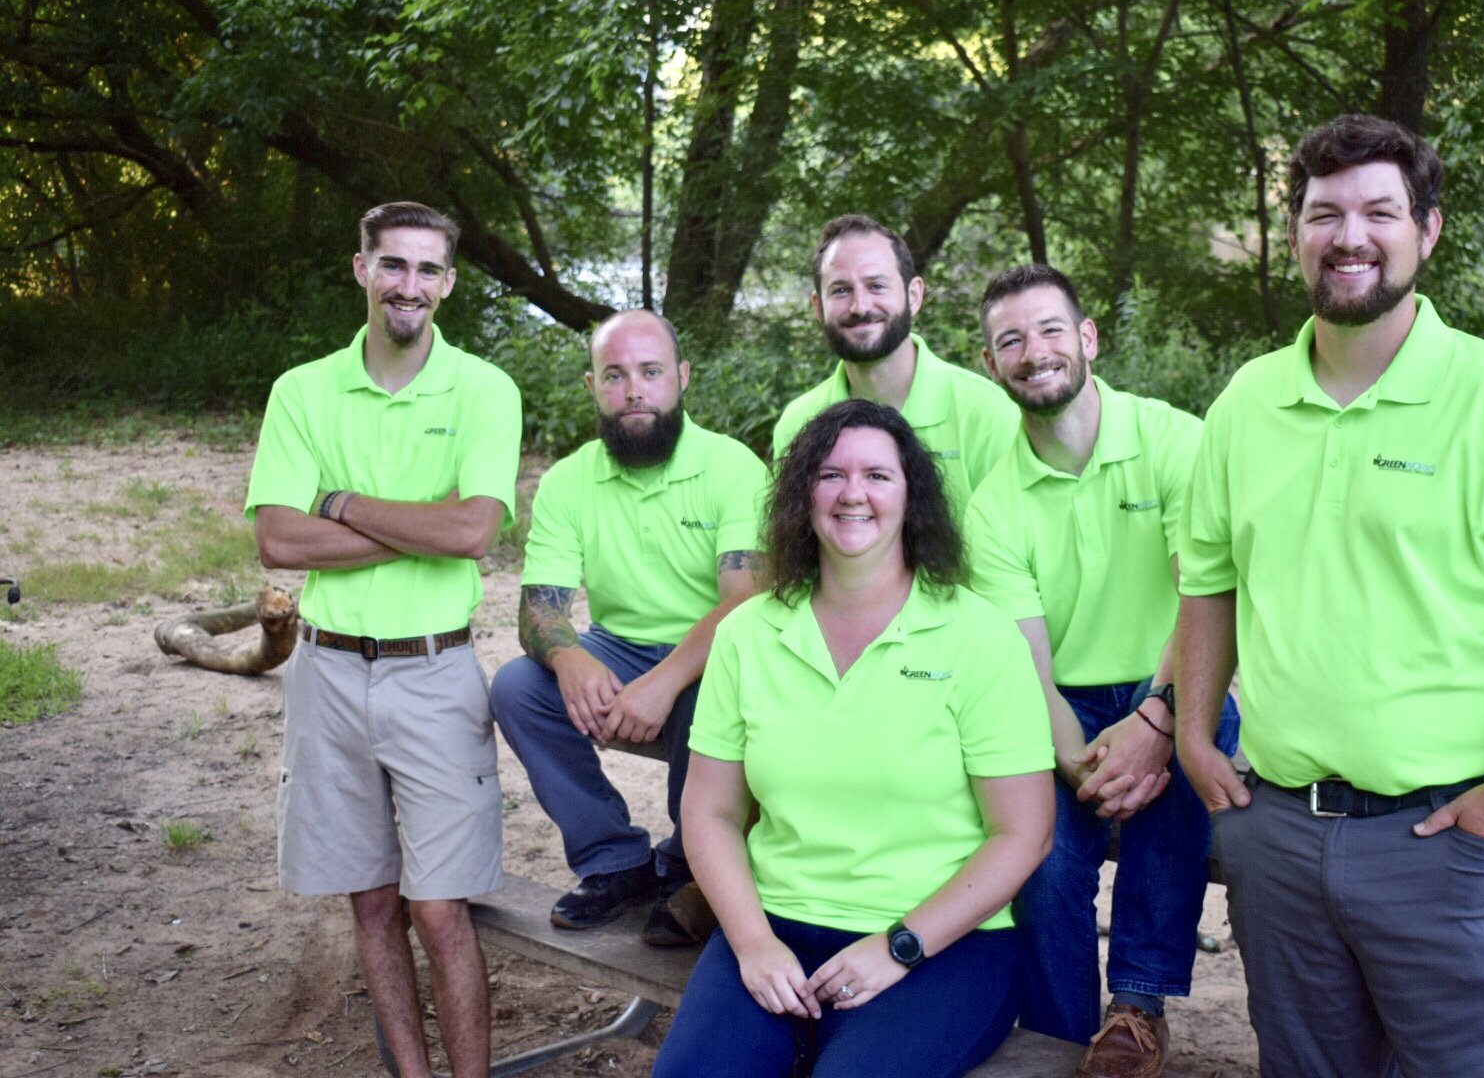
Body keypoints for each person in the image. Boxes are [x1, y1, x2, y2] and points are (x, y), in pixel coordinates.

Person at [1176, 114, 1484, 1076]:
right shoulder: (1245, 404)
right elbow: (1209, 583)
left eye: (1380, 210)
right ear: (1294, 232)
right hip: (1281, 836)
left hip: (1456, 840)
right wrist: (1195, 734)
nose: (1350, 236)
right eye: (1324, 212)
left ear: (1429, 230)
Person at [655, 400, 1055, 1077]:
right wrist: (752, 943)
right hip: (775, 929)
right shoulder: (748, 634)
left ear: (911, 497)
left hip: (941, 947)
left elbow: (1024, 833)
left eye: (877, 475)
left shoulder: (979, 636)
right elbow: (710, 810)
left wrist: (898, 946)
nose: (852, 493)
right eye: (830, 474)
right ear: (800, 495)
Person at [246, 201, 521, 1077]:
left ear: (448, 282)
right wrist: (419, 525)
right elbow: (279, 542)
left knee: (440, 910)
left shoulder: (483, 388)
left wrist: (343, 502)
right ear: (361, 269)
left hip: (434, 673)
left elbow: (476, 532)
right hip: (325, 673)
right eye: (393, 265)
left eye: (428, 269)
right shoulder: (303, 390)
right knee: (370, 902)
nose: (410, 285)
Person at [965, 264, 1240, 1076]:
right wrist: (1079, 764)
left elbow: (1207, 597)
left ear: (1087, 338)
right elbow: (1027, 666)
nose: (1033, 351)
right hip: (1065, 705)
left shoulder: (1175, 441)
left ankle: (1138, 1008)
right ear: (991, 366)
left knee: (1191, 754)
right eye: (1010, 340)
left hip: (1181, 674)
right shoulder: (992, 503)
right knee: (1042, 856)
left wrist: (1157, 720)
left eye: (1050, 329)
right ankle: (1056, 1037)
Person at [489, 309, 769, 946]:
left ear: (682, 378)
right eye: (614, 376)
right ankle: (615, 860)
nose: (634, 389)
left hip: (717, 649)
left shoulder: (733, 468)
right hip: (619, 646)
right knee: (515, 687)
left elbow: (746, 605)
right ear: (592, 387)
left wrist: (664, 683)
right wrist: (571, 661)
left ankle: (692, 869)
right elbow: (540, 608)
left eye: (650, 372)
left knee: (707, 693)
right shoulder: (568, 479)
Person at [772, 214, 1018, 515]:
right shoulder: (798, 423)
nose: (859, 306)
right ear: (817, 307)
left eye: (876, 286)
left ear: (913, 295)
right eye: (840, 290)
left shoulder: (988, 412)